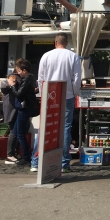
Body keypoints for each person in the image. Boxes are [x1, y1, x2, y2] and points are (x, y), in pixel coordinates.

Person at [36, 32, 81, 173]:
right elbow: (77, 78)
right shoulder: (73, 56)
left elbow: (41, 78)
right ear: (66, 43)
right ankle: (64, 163)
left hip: (49, 95)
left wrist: (43, 94)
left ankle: (36, 161)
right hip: (67, 95)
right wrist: (74, 92)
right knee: (65, 127)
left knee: (44, 126)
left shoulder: (46, 56)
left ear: (55, 42)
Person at [6, 59, 37, 165]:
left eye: (19, 71)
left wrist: (12, 85)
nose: (18, 73)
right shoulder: (31, 77)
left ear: (24, 70)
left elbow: (19, 94)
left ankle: (26, 156)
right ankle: (14, 153)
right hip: (27, 107)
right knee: (16, 131)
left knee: (20, 133)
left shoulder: (27, 79)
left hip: (24, 108)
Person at [0, 73, 19, 164]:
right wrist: (11, 83)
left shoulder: (18, 81)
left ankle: (14, 153)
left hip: (15, 108)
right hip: (12, 109)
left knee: (17, 131)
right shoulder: (6, 83)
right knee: (13, 131)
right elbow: (3, 87)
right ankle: (10, 155)